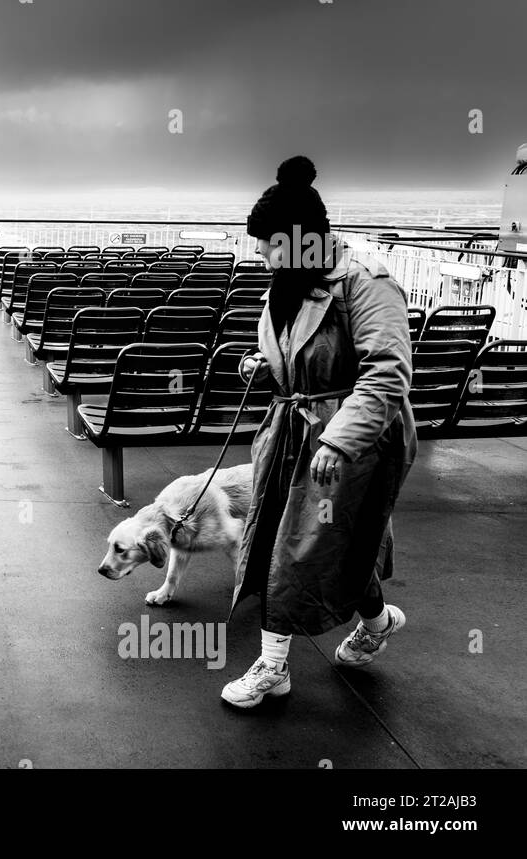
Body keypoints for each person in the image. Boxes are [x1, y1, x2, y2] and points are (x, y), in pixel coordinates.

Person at [222, 155, 417, 709]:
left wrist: (339, 439)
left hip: (351, 441)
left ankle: (273, 665)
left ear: (299, 239)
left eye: (268, 247)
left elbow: (387, 369)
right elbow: (298, 352)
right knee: (299, 539)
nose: (260, 259)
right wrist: (267, 366)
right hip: (292, 431)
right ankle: (378, 624)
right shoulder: (291, 284)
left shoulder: (366, 283)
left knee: (302, 543)